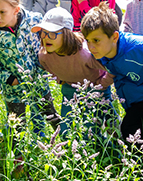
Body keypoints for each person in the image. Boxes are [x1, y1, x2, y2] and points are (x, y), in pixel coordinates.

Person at [81, 3, 143, 152]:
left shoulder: (140, 48)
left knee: (130, 128)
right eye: (88, 40)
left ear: (114, 36)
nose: (91, 47)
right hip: (136, 94)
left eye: (96, 40)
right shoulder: (102, 53)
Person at [0, 0, 57, 136]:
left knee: (48, 114)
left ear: (16, 10)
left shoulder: (34, 21)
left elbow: (46, 44)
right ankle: (18, 154)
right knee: (16, 123)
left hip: (38, 81)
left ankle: (61, 141)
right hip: (13, 88)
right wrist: (9, 79)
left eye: (2, 12)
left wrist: (48, 65)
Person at [32, 7, 116, 139]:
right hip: (70, 90)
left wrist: (102, 84)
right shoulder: (44, 56)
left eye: (52, 34)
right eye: (43, 33)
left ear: (66, 34)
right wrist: (60, 79)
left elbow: (112, 67)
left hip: (95, 90)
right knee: (65, 130)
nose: (46, 38)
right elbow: (47, 67)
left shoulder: (85, 54)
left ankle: (114, 151)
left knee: (95, 130)